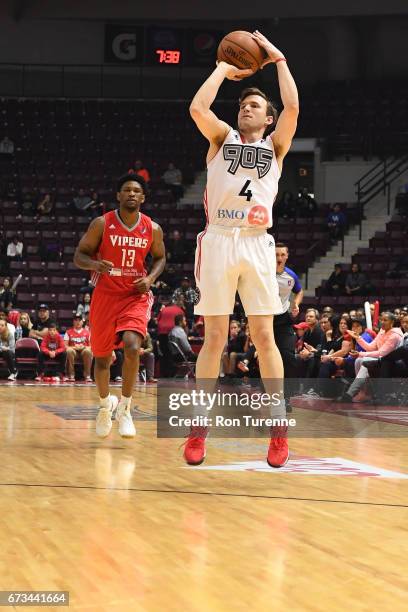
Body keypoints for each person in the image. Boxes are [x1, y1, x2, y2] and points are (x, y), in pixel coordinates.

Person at [188, 30, 299, 467]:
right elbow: (198, 107)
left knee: (264, 336)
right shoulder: (221, 139)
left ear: (267, 119)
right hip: (217, 240)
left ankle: (277, 427)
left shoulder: (276, 146)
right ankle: (199, 428)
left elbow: (293, 106)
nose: (245, 108)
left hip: (257, 245)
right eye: (243, 104)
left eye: (254, 105)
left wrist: (280, 60)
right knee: (214, 336)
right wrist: (222, 67)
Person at [74, 173, 165, 438]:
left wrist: (149, 278)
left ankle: (125, 408)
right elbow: (79, 255)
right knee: (101, 360)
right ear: (118, 195)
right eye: (126, 190)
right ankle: (105, 406)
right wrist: (94, 264)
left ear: (143, 197)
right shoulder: (102, 223)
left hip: (134, 296)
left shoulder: (153, 228)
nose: (132, 194)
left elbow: (160, 258)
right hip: (105, 296)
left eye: (136, 191)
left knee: (132, 346)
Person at [274, 242, 303, 378]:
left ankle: (288, 393)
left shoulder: (291, 276)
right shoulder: (262, 274)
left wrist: (296, 303)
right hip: (264, 319)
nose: (279, 258)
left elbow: (299, 291)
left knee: (288, 355)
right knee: (267, 357)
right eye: (276, 254)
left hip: (283, 318)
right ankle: (268, 392)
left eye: (282, 255)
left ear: (287, 257)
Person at [64, 315, 93, 382]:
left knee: (88, 351)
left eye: (79, 320)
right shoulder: (68, 332)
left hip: (84, 352)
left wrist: (83, 347)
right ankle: (71, 375)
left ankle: (87, 375)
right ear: (73, 322)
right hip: (74, 352)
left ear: (82, 322)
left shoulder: (87, 332)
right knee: (69, 350)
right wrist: (74, 347)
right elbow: (65, 346)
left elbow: (91, 346)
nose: (77, 322)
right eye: (76, 320)